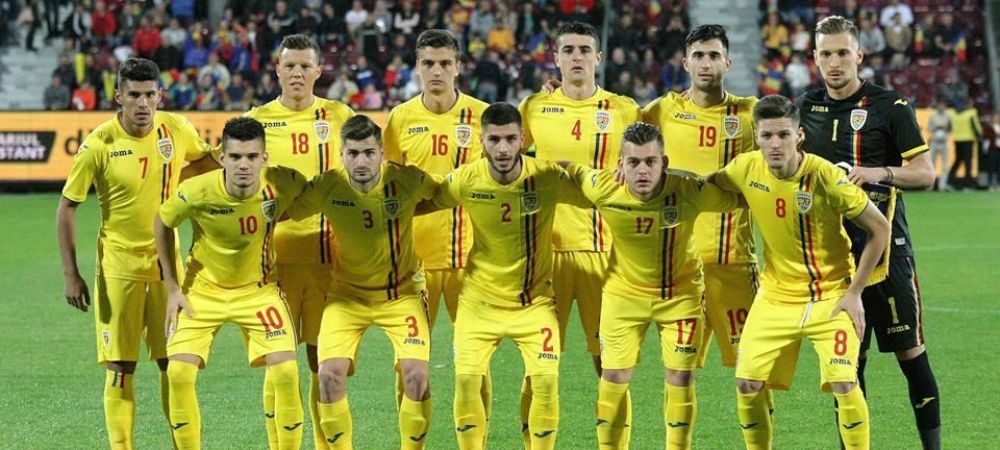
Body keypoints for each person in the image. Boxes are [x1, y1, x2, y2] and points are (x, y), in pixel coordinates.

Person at [710, 95, 890, 450]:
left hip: (831, 296)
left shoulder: (826, 176)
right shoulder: (745, 168)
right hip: (776, 296)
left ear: (800, 135)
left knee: (843, 383)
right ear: (756, 137)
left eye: (783, 135)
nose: (775, 144)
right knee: (746, 383)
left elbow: (880, 229)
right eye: (767, 136)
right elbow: (706, 184)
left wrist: (855, 292)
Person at [796, 16, 941, 450]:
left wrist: (878, 173)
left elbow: (925, 174)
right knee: (846, 369)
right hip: (834, 259)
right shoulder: (805, 108)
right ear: (815, 58)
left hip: (888, 254)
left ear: (858, 54)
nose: (835, 62)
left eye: (843, 52)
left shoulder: (890, 106)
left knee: (911, 357)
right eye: (826, 54)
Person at [56, 57, 216, 450]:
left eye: (149, 95)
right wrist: (71, 274)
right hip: (118, 269)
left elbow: (206, 162)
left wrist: (186, 189)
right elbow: (67, 207)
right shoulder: (99, 144)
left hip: (167, 270)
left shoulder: (176, 128)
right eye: (134, 96)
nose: (143, 103)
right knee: (120, 366)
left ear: (160, 95)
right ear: (118, 97)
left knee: (173, 362)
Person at [563, 123, 742, 449]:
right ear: (621, 164)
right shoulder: (604, 187)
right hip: (623, 296)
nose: (642, 170)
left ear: (665, 163)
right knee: (613, 377)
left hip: (680, 297)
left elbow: (740, 197)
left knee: (680, 377)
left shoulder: (688, 190)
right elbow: (569, 169)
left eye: (650, 161)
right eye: (633, 162)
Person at [426, 103, 590, 450]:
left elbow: (598, 194)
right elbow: (422, 201)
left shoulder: (546, 177)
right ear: (481, 140)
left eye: (510, 139)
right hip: (479, 302)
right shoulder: (466, 179)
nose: (502, 148)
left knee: (545, 381)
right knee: (467, 380)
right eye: (494, 140)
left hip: (534, 303)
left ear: (523, 139)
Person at [155, 117, 306, 450]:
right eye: (235, 157)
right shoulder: (196, 190)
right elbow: (162, 222)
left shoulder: (283, 182)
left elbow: (314, 196)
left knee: (285, 371)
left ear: (264, 158)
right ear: (222, 157)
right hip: (201, 292)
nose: (243, 165)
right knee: (178, 373)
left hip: (259, 291)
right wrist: (172, 288)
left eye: (252, 157)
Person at [642, 24, 768, 421]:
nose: (706, 63)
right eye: (698, 55)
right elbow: (614, 123)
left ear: (728, 63)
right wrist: (560, 90)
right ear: (685, 63)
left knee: (752, 375)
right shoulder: (661, 111)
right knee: (678, 374)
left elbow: (789, 139)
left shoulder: (750, 113)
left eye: (714, 55)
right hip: (681, 269)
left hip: (734, 266)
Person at [524, 21, 641, 446]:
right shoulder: (533, 108)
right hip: (545, 255)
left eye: (584, 49)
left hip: (606, 254)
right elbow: (506, 160)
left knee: (611, 365)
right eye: (569, 50)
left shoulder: (625, 110)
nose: (577, 57)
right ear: (556, 58)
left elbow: (648, 164)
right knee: (538, 365)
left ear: (598, 57)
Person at [288, 115, 435, 449]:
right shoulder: (328, 186)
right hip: (347, 296)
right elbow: (285, 211)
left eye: (369, 152)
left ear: (382, 152)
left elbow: (445, 194)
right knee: (328, 376)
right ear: (341, 154)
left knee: (416, 376)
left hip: (402, 295)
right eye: (353, 153)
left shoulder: (407, 179)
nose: (361, 161)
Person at [245, 34, 356, 450]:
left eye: (305, 66)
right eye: (289, 65)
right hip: (274, 263)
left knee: (322, 361)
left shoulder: (340, 115)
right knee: (279, 361)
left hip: (329, 259)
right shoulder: (256, 121)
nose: (297, 73)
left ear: (318, 71)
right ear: (277, 69)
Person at [382, 28, 491, 418]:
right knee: (409, 363)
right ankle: (412, 441)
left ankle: (475, 441)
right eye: (428, 63)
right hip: (415, 262)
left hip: (472, 261)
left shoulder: (483, 116)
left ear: (458, 66)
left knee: (475, 363)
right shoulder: (400, 119)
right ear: (417, 66)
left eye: (445, 63)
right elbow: (389, 189)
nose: (437, 71)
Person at [948, 98, 983, 190]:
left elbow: (950, 127)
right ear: (968, 104)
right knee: (968, 162)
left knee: (957, 161)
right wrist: (979, 137)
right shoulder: (971, 113)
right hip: (968, 140)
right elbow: (975, 127)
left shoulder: (953, 114)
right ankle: (968, 184)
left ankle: (949, 181)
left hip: (957, 140)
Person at [925, 100, 952, 191]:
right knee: (931, 165)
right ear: (937, 106)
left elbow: (950, 128)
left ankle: (942, 186)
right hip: (934, 142)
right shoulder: (933, 116)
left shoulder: (948, 116)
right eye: (940, 105)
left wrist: (945, 127)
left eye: (943, 105)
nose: (941, 107)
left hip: (944, 142)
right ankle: (930, 186)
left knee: (945, 165)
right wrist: (935, 127)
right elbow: (928, 128)